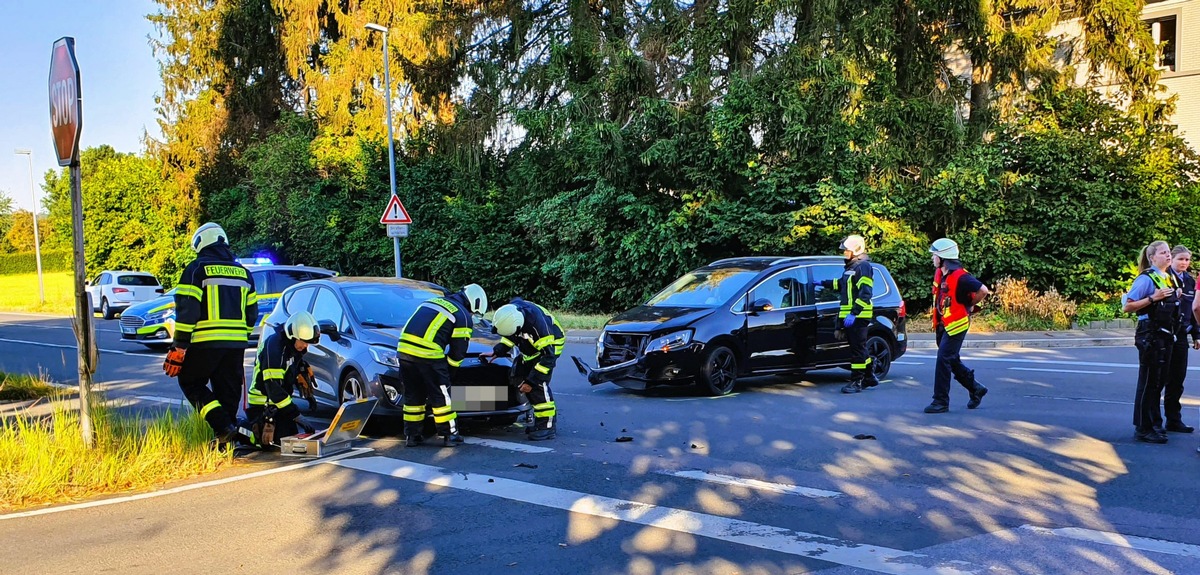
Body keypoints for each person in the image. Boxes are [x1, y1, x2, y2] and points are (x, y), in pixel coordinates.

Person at [162, 222, 257, 447]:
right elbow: (251, 313)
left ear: (201, 242)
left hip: (204, 343)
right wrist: (240, 337)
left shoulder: (196, 269)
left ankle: (222, 427)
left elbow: (187, 310)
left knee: (191, 382)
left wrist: (180, 347)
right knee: (229, 392)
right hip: (235, 346)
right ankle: (226, 442)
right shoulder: (244, 273)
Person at [397, 284, 488, 447]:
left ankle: (412, 436)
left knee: (413, 396)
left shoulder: (432, 301)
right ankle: (450, 435)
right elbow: (458, 351)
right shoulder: (462, 316)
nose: (473, 315)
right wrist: (450, 371)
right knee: (442, 396)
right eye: (474, 312)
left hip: (404, 352)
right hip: (428, 355)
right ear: (474, 304)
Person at [1124, 241, 1181, 444]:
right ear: (1152, 257)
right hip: (1150, 334)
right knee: (1148, 382)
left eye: (1169, 252)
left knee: (1158, 382)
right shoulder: (1146, 278)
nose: (1168, 255)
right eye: (1163, 252)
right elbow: (1128, 307)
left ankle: (1154, 423)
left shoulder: (1169, 277)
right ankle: (1143, 427)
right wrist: (1152, 298)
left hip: (1165, 335)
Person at [484, 298, 566, 440]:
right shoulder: (511, 312)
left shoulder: (539, 328)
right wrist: (498, 351)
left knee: (539, 387)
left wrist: (532, 381)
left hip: (548, 351)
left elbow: (549, 358)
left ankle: (547, 426)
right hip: (530, 348)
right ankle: (537, 420)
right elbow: (511, 337)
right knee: (517, 377)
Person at [924, 238, 990, 414]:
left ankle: (940, 401)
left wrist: (970, 305)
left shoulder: (961, 277)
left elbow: (983, 290)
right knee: (951, 359)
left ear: (943, 257)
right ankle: (976, 388)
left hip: (957, 324)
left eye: (934, 255)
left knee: (943, 359)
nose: (932, 258)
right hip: (943, 324)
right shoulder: (941, 273)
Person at [245, 311, 323, 447]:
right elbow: (273, 388)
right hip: (262, 404)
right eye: (304, 342)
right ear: (293, 336)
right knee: (270, 442)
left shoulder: (292, 347)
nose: (306, 346)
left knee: (290, 435)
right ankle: (241, 428)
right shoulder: (275, 349)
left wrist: (308, 394)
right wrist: (297, 415)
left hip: (278, 404)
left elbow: (290, 373)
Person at [818, 234, 878, 393]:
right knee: (860, 348)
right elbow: (842, 284)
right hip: (852, 316)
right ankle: (870, 376)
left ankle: (856, 382)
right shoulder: (852, 267)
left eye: (847, 250)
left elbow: (865, 293)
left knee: (857, 350)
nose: (844, 253)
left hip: (859, 316)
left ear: (856, 250)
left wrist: (854, 313)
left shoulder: (863, 266)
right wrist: (822, 283)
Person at [1167, 246, 1198, 435]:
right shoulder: (1165, 277)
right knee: (1160, 379)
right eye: (1181, 259)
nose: (1184, 263)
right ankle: (1152, 421)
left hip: (1181, 335)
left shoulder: (1189, 280)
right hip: (1166, 333)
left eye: (1187, 260)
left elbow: (1194, 310)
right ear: (1172, 259)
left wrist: (1197, 334)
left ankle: (1173, 419)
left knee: (1178, 379)